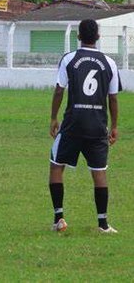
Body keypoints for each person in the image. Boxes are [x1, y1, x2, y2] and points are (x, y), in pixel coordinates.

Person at [49, 19, 121, 234]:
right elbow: (113, 98)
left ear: (78, 36)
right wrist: (115, 125)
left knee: (56, 167)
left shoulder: (69, 59)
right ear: (98, 37)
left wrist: (53, 117)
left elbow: (60, 90)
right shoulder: (109, 63)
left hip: (72, 123)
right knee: (99, 172)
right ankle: (103, 224)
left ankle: (59, 219)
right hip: (97, 126)